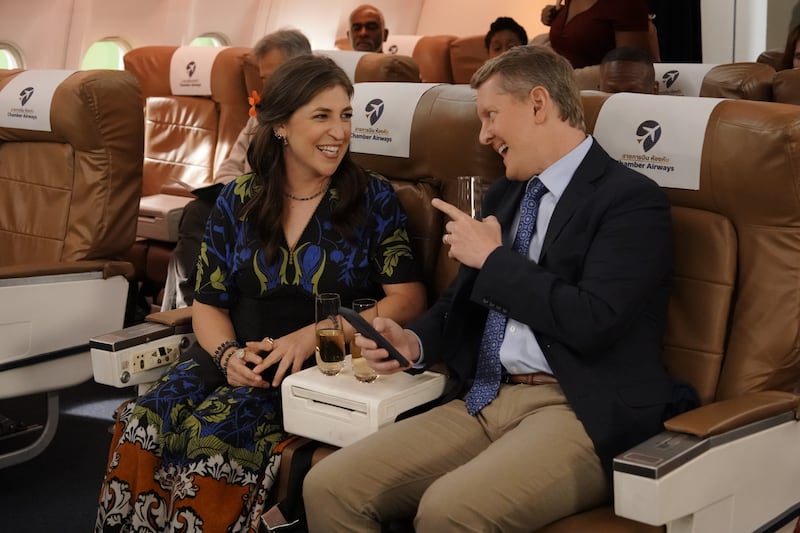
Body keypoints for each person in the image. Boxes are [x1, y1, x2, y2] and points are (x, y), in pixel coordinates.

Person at [303, 45, 675, 531]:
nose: (484, 134)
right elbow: (459, 305)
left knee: (447, 512)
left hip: (578, 408)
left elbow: (593, 321)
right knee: (330, 486)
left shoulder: (630, 200)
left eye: (491, 115)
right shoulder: (507, 194)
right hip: (485, 395)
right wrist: (412, 342)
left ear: (538, 104)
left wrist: (494, 260)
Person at [95, 54, 427, 533]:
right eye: (322, 116)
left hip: (320, 365)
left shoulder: (371, 197)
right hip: (237, 357)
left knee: (215, 440)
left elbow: (409, 298)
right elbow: (208, 304)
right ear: (280, 127)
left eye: (346, 115)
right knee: (141, 422)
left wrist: (312, 335)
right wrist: (228, 354)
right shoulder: (237, 199)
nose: (339, 131)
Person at [161, 29, 312, 311]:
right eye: (265, 79)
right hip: (247, 198)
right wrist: (232, 193)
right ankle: (192, 308)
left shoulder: (314, 117)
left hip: (282, 204)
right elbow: (230, 165)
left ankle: (195, 308)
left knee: (197, 222)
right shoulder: (263, 115)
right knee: (197, 212)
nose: (267, 86)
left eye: (273, 77)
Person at [542, 0, 651, 68]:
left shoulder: (626, 3)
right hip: (561, 92)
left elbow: (631, 68)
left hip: (598, 98)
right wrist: (556, 17)